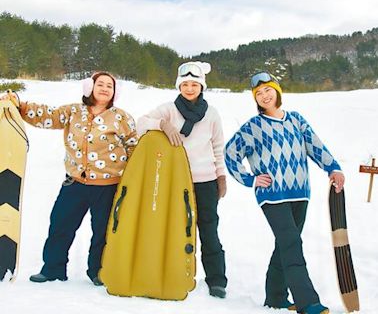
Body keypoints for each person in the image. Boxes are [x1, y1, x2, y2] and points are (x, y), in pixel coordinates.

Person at [224, 71, 344, 314]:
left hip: (300, 193)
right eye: (259, 93)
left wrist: (333, 168)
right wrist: (251, 179)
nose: (264, 95)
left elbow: (315, 145)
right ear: (255, 100)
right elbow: (230, 153)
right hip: (272, 195)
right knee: (292, 243)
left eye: (268, 90)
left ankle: (276, 297)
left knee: (285, 245)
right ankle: (307, 302)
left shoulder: (296, 120)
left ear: (277, 91)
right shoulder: (254, 127)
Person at [15, 72, 137, 285]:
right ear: (90, 87)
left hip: (108, 187)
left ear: (115, 93)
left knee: (103, 232)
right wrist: (20, 105)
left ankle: (98, 272)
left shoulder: (122, 118)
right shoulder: (73, 111)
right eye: (100, 84)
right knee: (60, 226)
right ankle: (53, 269)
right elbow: (48, 116)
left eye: (110, 86)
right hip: (75, 184)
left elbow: (134, 149)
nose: (105, 88)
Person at [136, 61, 228, 298]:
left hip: (205, 181)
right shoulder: (168, 109)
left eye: (194, 84)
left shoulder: (212, 114)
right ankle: (174, 273)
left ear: (201, 86)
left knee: (209, 230)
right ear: (179, 86)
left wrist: (221, 176)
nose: (189, 88)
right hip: (175, 181)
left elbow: (218, 147)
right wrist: (162, 125)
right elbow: (140, 124)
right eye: (185, 84)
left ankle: (217, 280)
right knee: (175, 229)